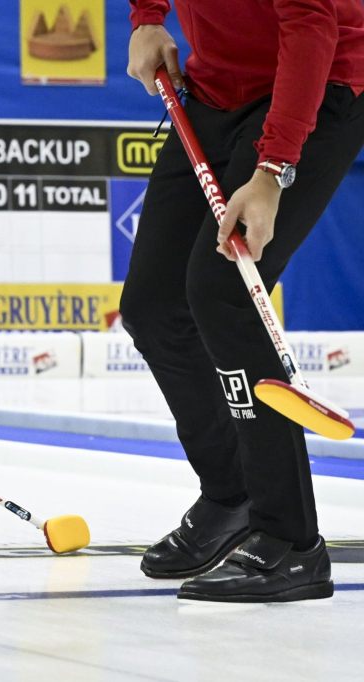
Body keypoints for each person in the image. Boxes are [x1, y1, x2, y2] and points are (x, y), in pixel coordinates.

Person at [122, 0, 364, 602]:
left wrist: (273, 169)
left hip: (320, 82)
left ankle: (292, 542)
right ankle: (233, 496)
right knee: (152, 307)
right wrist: (147, 17)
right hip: (213, 90)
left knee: (225, 290)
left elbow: (311, 25)